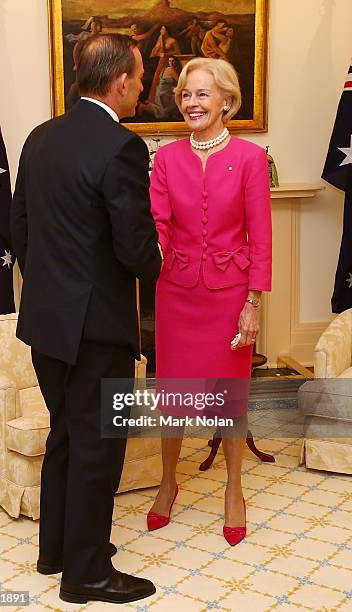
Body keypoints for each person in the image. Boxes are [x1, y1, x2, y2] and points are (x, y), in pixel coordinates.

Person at [11, 34, 161, 604]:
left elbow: (20, 223)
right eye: (141, 75)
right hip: (97, 329)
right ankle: (88, 575)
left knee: (67, 437)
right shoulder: (120, 146)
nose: (144, 84)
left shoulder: (40, 137)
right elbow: (135, 249)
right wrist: (160, 260)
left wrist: (51, 285)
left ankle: (58, 550)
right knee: (98, 446)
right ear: (120, 81)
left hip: (46, 324)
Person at [147, 58, 272, 545]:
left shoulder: (249, 158)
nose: (191, 103)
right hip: (176, 294)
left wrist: (253, 302)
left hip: (230, 299)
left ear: (226, 100)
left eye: (202, 94)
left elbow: (260, 237)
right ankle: (167, 483)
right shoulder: (166, 159)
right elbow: (158, 225)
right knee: (174, 397)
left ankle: (234, 487)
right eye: (184, 95)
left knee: (230, 400)